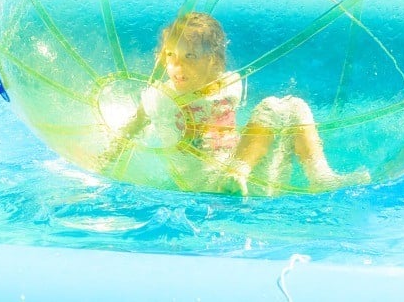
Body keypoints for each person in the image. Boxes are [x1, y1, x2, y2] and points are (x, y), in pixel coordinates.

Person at [100, 12, 370, 195]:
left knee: (291, 106)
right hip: (204, 187)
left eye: (190, 56)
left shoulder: (229, 84)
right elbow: (131, 127)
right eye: (171, 55)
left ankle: (320, 176)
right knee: (271, 109)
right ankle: (239, 171)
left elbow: (250, 132)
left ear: (213, 62)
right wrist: (104, 160)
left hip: (247, 181)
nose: (177, 66)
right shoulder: (160, 97)